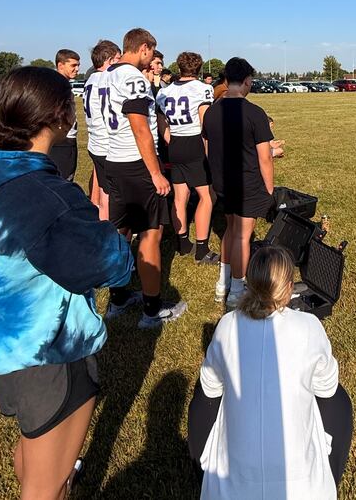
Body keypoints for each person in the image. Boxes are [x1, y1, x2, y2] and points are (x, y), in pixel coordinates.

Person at [0, 66, 134, 499]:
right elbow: (108, 264)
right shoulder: (50, 198)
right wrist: (117, 241)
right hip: (47, 347)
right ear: (57, 116)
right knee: (46, 482)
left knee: (34, 442)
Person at [188, 247, 353, 499]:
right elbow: (328, 388)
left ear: (249, 284)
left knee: (203, 398)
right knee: (340, 401)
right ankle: (328, 473)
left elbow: (210, 389)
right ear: (289, 288)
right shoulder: (310, 326)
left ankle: (203, 470)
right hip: (302, 487)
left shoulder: (227, 325)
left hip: (233, 485)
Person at [103, 28, 187, 328]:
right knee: (151, 234)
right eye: (151, 53)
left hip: (113, 160)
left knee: (121, 232)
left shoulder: (106, 74)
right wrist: (155, 173)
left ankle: (118, 297)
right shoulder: (133, 77)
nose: (152, 60)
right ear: (143, 48)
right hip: (136, 164)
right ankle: (152, 311)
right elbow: (140, 127)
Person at [201, 57, 274, 307]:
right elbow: (265, 157)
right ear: (246, 81)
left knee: (230, 230)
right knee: (243, 236)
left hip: (222, 182)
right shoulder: (255, 113)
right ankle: (236, 289)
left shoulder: (211, 112)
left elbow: (208, 147)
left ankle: (223, 282)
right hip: (247, 183)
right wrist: (270, 189)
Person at [157, 52, 218, 264]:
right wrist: (208, 151)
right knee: (206, 196)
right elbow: (205, 123)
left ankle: (183, 243)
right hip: (194, 142)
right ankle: (202, 248)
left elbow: (161, 122)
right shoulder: (203, 89)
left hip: (175, 143)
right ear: (199, 68)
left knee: (180, 196)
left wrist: (170, 141)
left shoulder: (165, 91)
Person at [83, 40, 121, 221]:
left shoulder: (91, 78)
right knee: (114, 196)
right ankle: (109, 232)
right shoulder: (108, 78)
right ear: (110, 59)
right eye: (118, 59)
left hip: (95, 142)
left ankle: (102, 224)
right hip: (108, 143)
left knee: (104, 192)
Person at [48, 49, 81, 181]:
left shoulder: (58, 83)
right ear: (60, 65)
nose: (77, 69)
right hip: (62, 141)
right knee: (63, 180)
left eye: (78, 65)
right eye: (73, 65)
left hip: (61, 140)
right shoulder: (59, 86)